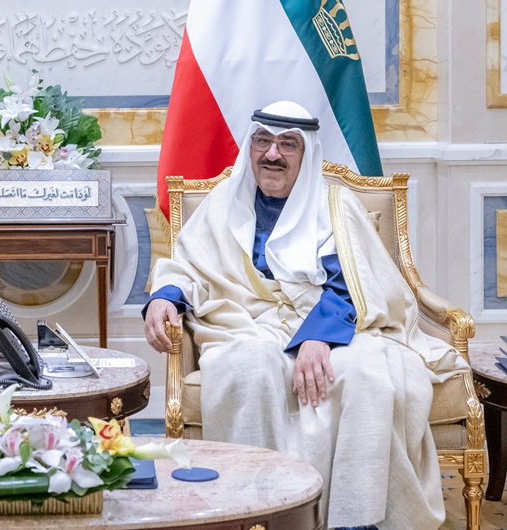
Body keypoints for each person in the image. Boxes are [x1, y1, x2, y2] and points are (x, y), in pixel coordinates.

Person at [144, 101, 468, 530]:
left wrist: (317, 338)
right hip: (246, 324)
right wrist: (164, 298)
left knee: (366, 375)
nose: (272, 154)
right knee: (248, 369)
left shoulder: (335, 204)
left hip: (335, 324)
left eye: (287, 144)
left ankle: (355, 520)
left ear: (306, 152)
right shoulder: (223, 203)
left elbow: (355, 283)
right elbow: (186, 265)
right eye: (263, 141)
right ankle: (255, 513)